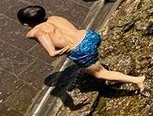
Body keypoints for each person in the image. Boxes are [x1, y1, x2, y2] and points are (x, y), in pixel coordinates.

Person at [17, 6, 146, 93]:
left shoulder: (34, 32)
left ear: (26, 24)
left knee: (99, 73)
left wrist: (53, 52)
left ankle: (137, 80)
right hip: (90, 36)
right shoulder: (54, 18)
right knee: (90, 67)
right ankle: (93, 64)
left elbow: (43, 36)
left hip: (82, 49)